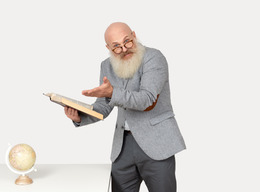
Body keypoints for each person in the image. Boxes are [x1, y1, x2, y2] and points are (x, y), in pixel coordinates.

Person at [64, 22, 186, 192]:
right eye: (116, 47)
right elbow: (104, 105)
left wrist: (112, 92)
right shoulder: (106, 65)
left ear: (134, 35)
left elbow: (147, 99)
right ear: (108, 47)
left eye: (127, 41)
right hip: (123, 147)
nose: (124, 49)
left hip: (157, 144)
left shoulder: (154, 57)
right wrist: (80, 117)